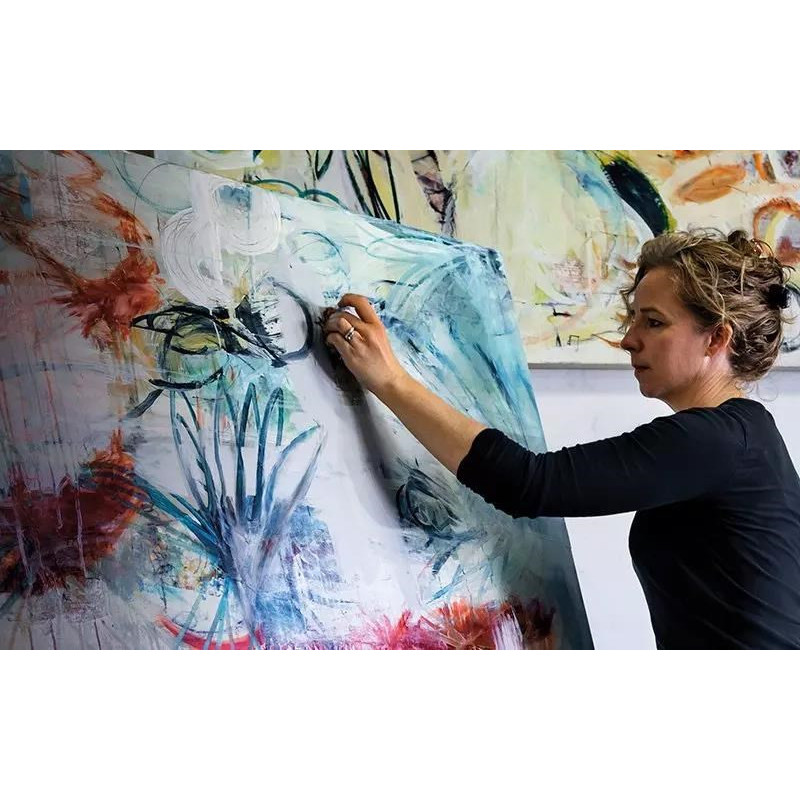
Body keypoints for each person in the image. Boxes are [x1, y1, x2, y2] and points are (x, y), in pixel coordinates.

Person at [322, 229, 800, 649]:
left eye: (653, 322)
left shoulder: (718, 440)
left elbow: (530, 483)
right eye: (633, 319)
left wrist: (390, 380)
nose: (629, 339)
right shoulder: (740, 436)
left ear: (716, 338)